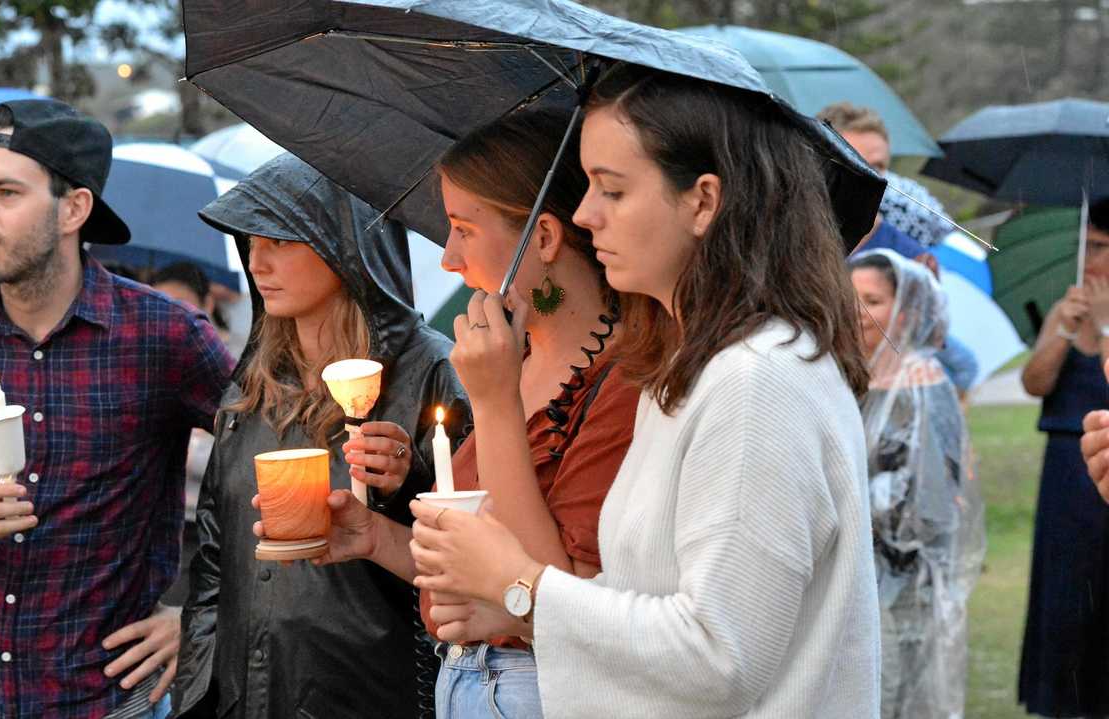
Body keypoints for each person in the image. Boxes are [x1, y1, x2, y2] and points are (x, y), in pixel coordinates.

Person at [408, 64, 881, 717]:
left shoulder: (757, 379)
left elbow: (721, 654)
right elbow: (646, 601)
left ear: (703, 201)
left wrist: (521, 584)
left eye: (613, 189)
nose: (584, 214)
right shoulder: (691, 369)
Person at [285, 108, 640, 718]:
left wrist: (496, 404)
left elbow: (562, 593)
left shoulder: (623, 382)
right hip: (469, 680)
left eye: (462, 229)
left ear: (546, 239)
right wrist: (375, 537)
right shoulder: (518, 360)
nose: (449, 259)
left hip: (542, 691)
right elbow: (471, 572)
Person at [0, 98, 234, 719]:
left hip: (112, 701)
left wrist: (208, 612)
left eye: (5, 192)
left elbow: (277, 461)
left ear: (74, 208)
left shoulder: (165, 335)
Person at [172, 153, 470, 719]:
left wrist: (409, 480)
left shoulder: (429, 370)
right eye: (249, 241)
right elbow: (215, 558)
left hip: (377, 696)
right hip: (246, 698)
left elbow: (474, 543)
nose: (257, 262)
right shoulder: (255, 377)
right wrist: (197, 694)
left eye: (279, 240)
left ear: (342, 245)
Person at [851, 249, 985, 719]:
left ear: (903, 310)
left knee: (894, 701)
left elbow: (931, 514)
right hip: (855, 586)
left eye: (872, 300)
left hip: (903, 592)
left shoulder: (925, 388)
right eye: (849, 298)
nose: (858, 313)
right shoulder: (853, 380)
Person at [818, 101, 979, 394]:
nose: (869, 177)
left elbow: (948, 363)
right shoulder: (787, 245)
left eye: (878, 166)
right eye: (853, 160)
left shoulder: (909, 259)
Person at [1023, 196, 1109, 716]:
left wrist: (1102, 330)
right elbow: (1035, 382)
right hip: (1063, 468)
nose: (1090, 259)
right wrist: (1063, 328)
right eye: (1087, 245)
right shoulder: (1065, 304)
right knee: (1064, 587)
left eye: (1100, 248)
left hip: (1104, 461)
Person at [149, 261, 227, 608]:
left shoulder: (231, 367)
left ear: (207, 303)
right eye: (159, 303)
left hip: (210, 533)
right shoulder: (151, 368)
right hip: (165, 533)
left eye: (181, 304)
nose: (169, 316)